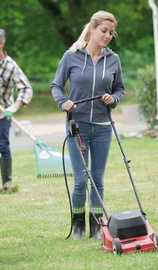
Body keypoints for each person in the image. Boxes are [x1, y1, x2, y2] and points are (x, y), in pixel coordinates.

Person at [51, 11, 125, 240]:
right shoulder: (71, 56)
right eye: (104, 31)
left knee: (98, 179)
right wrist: (64, 103)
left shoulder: (113, 59)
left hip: (103, 127)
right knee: (82, 179)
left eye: (111, 33)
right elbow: (56, 85)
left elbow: (120, 89)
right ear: (92, 29)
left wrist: (112, 99)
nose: (108, 36)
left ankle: (96, 229)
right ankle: (79, 228)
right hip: (77, 126)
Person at [0, 29, 33, 193]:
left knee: (3, 145)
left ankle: (6, 183)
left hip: (2, 113)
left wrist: (13, 107)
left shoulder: (10, 66)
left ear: (1, 44)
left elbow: (26, 88)